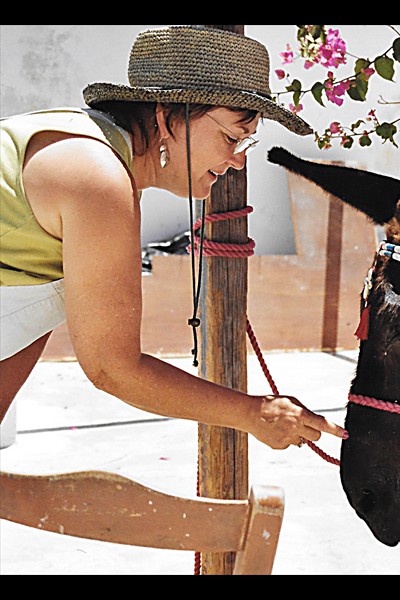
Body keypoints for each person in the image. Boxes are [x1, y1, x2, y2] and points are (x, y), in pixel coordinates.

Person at [0, 25, 347, 450]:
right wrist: (254, 414)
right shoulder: (97, 179)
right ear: (167, 118)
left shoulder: (99, 162)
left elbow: (23, 325)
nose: (238, 161)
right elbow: (111, 368)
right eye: (232, 137)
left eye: (247, 143)